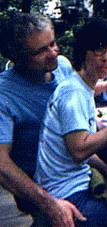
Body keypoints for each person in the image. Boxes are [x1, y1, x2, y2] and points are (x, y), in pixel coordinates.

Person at [34, 18, 107, 226]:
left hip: (72, 184)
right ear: (83, 52)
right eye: (99, 50)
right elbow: (79, 151)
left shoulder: (82, 87)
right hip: (66, 197)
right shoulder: (73, 94)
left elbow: (84, 151)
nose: (106, 59)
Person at [0, 13, 86, 226]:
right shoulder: (4, 94)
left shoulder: (63, 66)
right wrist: (49, 204)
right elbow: (1, 164)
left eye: (53, 43)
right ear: (16, 56)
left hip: (77, 168)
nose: (53, 53)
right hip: (43, 185)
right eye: (40, 51)